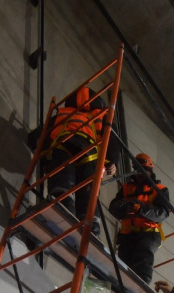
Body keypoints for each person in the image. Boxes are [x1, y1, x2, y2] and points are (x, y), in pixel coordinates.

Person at [39, 86, 117, 236]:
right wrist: (112, 161)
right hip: (89, 151)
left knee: (62, 177)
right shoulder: (101, 116)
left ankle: (63, 205)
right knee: (87, 187)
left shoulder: (63, 112)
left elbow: (45, 136)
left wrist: (45, 160)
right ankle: (91, 224)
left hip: (63, 144)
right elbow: (111, 140)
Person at [108, 153, 170, 283]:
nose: (139, 174)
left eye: (142, 170)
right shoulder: (126, 188)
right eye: (136, 170)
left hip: (148, 233)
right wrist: (123, 207)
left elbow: (162, 213)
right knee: (124, 262)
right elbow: (113, 208)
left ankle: (143, 282)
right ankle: (121, 285)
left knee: (143, 253)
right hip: (127, 235)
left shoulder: (160, 189)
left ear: (149, 171)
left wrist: (141, 209)